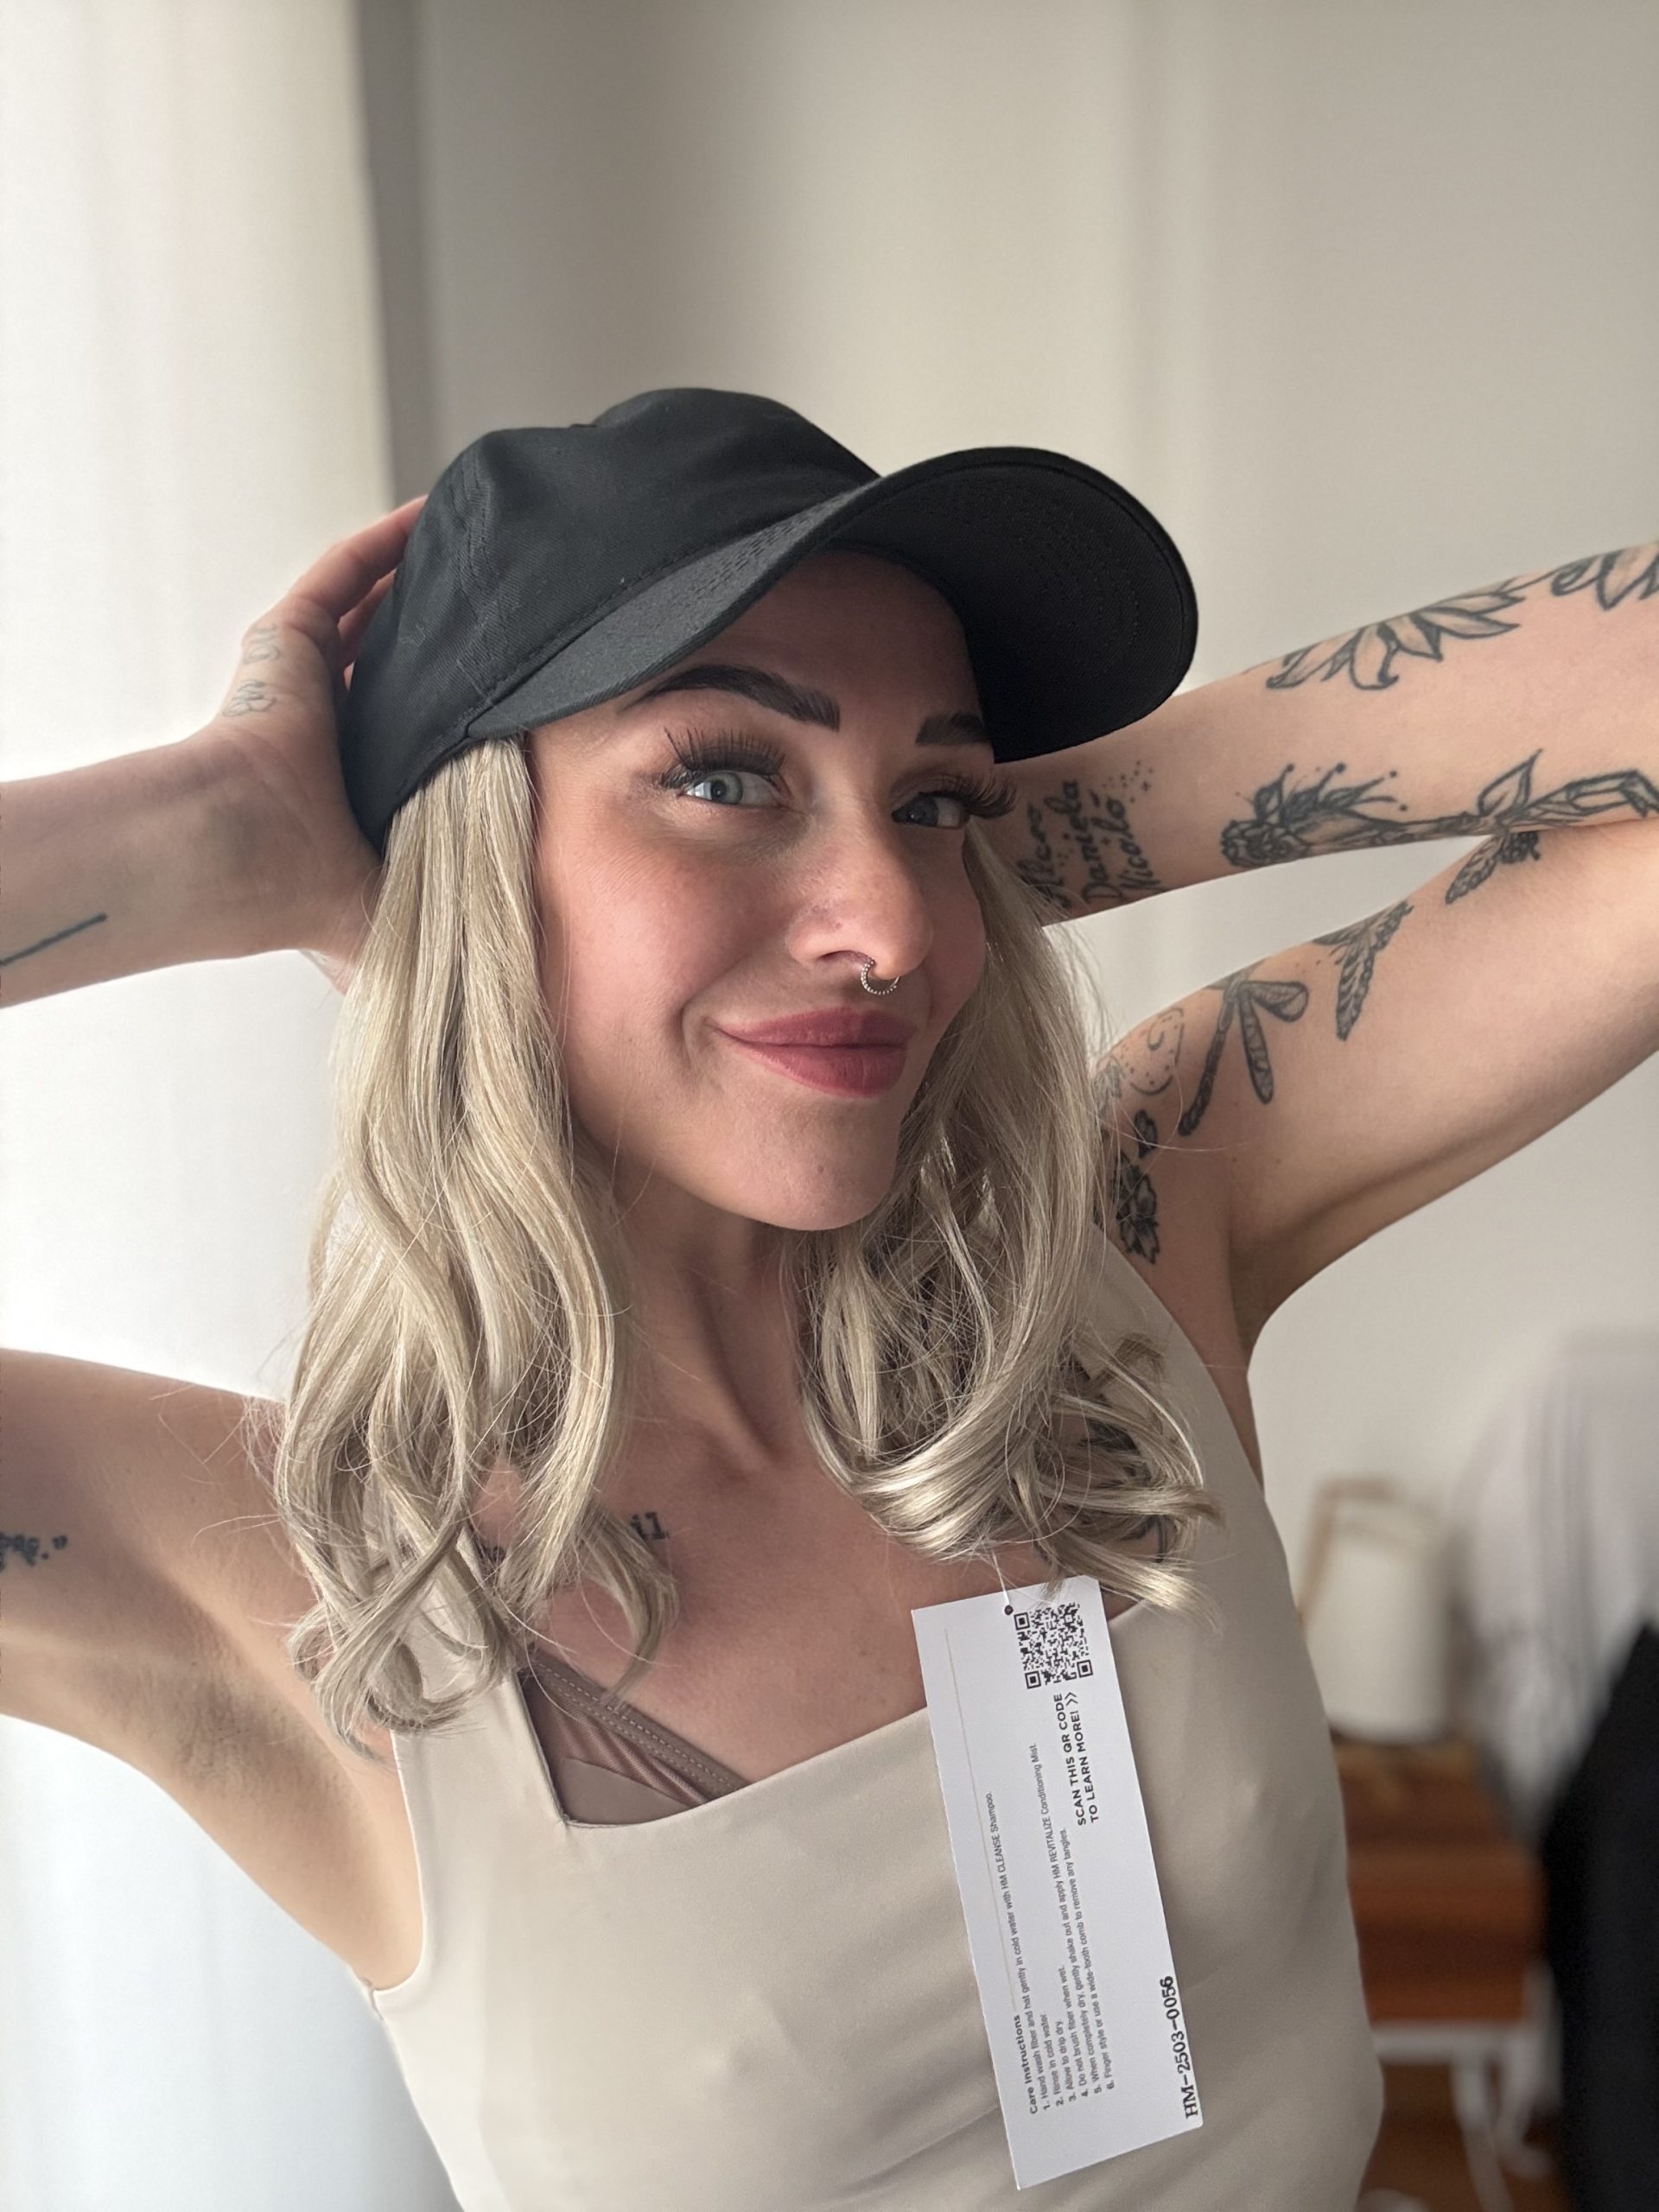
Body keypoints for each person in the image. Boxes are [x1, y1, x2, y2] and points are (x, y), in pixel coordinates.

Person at [4, 389, 1404, 2208]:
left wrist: (1024, 840)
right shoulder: (293, 1574)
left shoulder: (1138, 1234)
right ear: (474, 854)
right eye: (728, 776)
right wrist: (209, 833)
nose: (893, 928)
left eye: (936, 799)